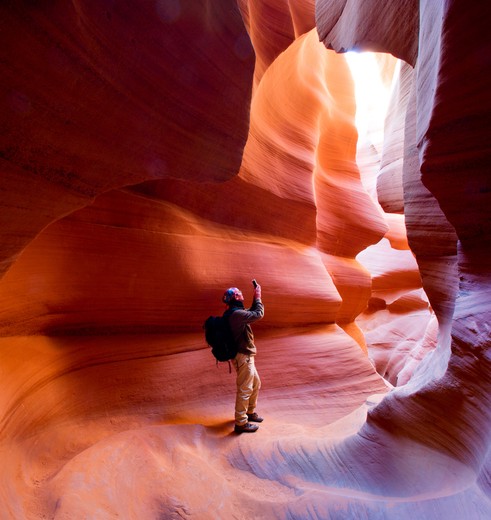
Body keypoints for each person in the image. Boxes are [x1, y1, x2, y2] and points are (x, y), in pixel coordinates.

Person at [222, 282, 264, 433]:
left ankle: (249, 412)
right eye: (240, 293)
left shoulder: (234, 313)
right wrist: (258, 297)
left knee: (255, 383)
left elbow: (250, 313)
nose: (242, 295)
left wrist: (255, 297)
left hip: (244, 355)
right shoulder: (236, 315)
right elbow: (258, 314)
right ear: (235, 297)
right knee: (245, 388)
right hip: (243, 356)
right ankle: (241, 422)